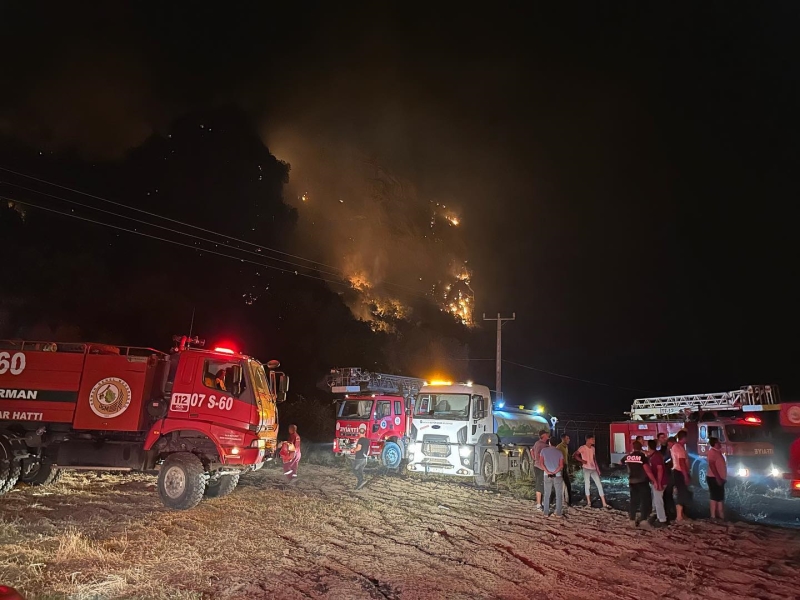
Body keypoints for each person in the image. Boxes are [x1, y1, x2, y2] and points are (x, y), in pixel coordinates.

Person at [573, 435, 611, 509]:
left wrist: (598, 469)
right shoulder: (582, 448)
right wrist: (581, 460)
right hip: (586, 468)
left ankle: (604, 503)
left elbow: (594, 459)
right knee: (588, 485)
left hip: (593, 468)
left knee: (599, 484)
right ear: (588, 440)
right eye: (592, 439)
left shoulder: (593, 448)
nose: (594, 441)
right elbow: (575, 455)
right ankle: (589, 502)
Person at [625, 441, 653, 529]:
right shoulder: (642, 457)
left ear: (633, 447)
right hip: (642, 482)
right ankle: (643, 520)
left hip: (632, 481)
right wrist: (653, 480)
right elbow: (647, 470)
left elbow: (621, 462)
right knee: (645, 501)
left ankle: (632, 520)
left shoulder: (628, 456)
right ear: (641, 448)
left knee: (633, 501)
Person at [540, 437, 565, 517]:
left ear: (549, 442)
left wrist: (548, 472)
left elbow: (541, 463)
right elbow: (561, 465)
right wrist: (554, 472)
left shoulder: (543, 451)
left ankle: (546, 512)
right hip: (557, 475)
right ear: (556, 443)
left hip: (547, 475)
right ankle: (558, 513)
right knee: (558, 494)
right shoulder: (559, 452)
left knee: (547, 494)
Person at [671, 429, 692, 523]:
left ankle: (682, 514)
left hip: (679, 472)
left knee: (682, 493)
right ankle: (679, 516)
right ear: (684, 438)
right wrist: (685, 476)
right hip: (679, 472)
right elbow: (682, 462)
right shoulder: (679, 447)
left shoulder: (677, 446)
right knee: (681, 493)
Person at [646, 440, 668, 527]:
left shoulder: (656, 457)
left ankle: (662, 520)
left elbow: (660, 469)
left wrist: (658, 482)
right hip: (657, 481)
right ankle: (657, 515)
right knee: (656, 500)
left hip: (660, 482)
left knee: (658, 501)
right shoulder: (654, 455)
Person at [706, 436, 727, 521]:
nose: (720, 444)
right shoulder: (712, 452)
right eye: (718, 442)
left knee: (719, 497)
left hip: (718, 478)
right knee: (715, 497)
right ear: (715, 444)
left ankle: (720, 515)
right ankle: (713, 516)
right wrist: (718, 478)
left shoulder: (718, 452)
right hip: (713, 478)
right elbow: (712, 465)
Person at [531, 430, 550, 511]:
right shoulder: (541, 445)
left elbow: (531, 450)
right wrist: (539, 460)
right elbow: (538, 453)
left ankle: (541, 503)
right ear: (543, 435)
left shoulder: (537, 443)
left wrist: (534, 458)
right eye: (547, 434)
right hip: (541, 467)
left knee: (542, 485)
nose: (548, 435)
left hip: (539, 466)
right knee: (540, 484)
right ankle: (539, 504)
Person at [662, 436, 677, 520]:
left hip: (669, 475)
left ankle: (670, 512)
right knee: (668, 495)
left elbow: (666, 461)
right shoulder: (670, 451)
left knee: (668, 495)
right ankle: (670, 512)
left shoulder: (671, 451)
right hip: (670, 475)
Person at [556, 433, 572, 505]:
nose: (569, 439)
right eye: (567, 438)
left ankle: (567, 500)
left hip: (565, 466)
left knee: (566, 484)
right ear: (563, 439)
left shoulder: (566, 447)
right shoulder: (559, 447)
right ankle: (563, 501)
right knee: (563, 484)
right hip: (561, 467)